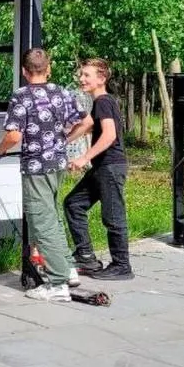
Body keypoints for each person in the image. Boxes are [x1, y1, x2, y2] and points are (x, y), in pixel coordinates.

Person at [0, 48, 92, 302]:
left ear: (25, 72)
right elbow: (87, 121)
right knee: (54, 216)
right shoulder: (62, 92)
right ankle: (67, 268)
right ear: (48, 69)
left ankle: (57, 284)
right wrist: (65, 141)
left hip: (36, 167)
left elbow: (14, 135)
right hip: (57, 163)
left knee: (42, 221)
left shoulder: (21, 96)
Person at [64, 58, 133, 280]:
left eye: (86, 75)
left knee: (113, 217)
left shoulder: (103, 101)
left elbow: (109, 135)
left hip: (110, 167)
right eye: (81, 74)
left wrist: (84, 157)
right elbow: (88, 126)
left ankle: (122, 266)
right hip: (102, 167)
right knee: (74, 203)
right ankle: (85, 255)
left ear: (101, 79)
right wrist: (61, 141)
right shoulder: (101, 103)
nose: (81, 78)